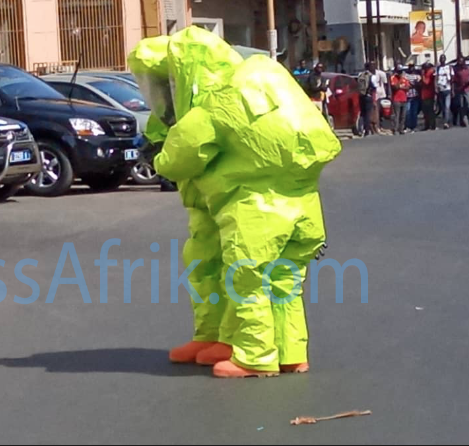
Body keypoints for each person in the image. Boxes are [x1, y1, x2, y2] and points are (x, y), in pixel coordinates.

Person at [129, 26, 341, 378]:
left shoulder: (216, 104)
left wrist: (158, 154)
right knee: (283, 281)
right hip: (302, 205)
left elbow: (178, 158)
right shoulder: (257, 84)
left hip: (254, 209)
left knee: (247, 278)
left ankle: (255, 355)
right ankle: (288, 351)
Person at [452, 57, 469, 127]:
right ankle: (465, 122)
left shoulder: (468, 69)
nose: (460, 63)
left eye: (461, 62)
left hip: (468, 89)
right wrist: (454, 89)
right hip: (460, 89)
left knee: (468, 104)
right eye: (459, 62)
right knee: (461, 106)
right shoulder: (457, 71)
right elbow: (454, 81)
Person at [390, 64, 411, 135]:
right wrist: (399, 82)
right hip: (396, 99)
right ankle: (395, 129)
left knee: (403, 116)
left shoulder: (404, 79)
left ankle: (401, 129)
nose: (400, 73)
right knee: (397, 115)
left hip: (404, 99)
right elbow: (395, 87)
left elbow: (408, 88)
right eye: (399, 72)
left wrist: (401, 87)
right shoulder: (393, 78)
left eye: (401, 72)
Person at [358, 63, 378, 136]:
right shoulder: (372, 76)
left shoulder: (360, 75)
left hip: (361, 96)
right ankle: (367, 130)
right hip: (368, 96)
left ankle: (361, 129)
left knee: (362, 113)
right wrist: (374, 99)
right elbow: (374, 87)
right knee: (368, 114)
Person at [371, 62, 389, 134]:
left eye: (373, 65)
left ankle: (380, 126)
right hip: (373, 95)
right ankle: (376, 127)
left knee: (381, 112)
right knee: (375, 112)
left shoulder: (381, 73)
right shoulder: (367, 75)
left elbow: (385, 84)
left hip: (381, 94)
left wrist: (387, 94)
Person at [436, 55, 453, 129]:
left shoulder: (449, 67)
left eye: (443, 59)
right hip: (440, 90)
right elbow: (435, 78)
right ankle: (446, 120)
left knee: (447, 107)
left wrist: (452, 90)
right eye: (441, 59)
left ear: (445, 59)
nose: (442, 60)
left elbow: (452, 79)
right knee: (443, 108)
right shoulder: (438, 68)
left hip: (448, 89)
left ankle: (446, 123)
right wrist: (436, 87)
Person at [404, 63, 422, 132]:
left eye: (412, 67)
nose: (411, 68)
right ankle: (408, 126)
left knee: (414, 112)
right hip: (408, 96)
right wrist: (409, 85)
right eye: (410, 66)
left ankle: (414, 126)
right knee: (408, 112)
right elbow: (405, 83)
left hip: (415, 96)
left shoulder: (417, 76)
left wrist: (415, 85)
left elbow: (420, 85)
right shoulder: (405, 75)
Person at [420, 62, 437, 131]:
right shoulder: (426, 73)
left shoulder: (430, 73)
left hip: (429, 94)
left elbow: (426, 82)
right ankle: (426, 125)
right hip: (424, 95)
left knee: (430, 111)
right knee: (425, 112)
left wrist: (422, 75)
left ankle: (432, 125)